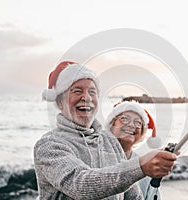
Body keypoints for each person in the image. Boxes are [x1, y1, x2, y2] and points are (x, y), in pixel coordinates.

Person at [34, 61, 178, 199]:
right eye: (77, 91)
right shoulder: (48, 145)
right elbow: (80, 185)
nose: (86, 97)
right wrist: (140, 166)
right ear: (60, 102)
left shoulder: (110, 141)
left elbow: (133, 196)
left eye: (92, 91)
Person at [105, 101, 162, 200]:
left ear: (142, 132)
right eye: (124, 119)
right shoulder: (95, 155)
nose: (131, 125)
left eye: (138, 122)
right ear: (112, 124)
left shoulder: (146, 166)